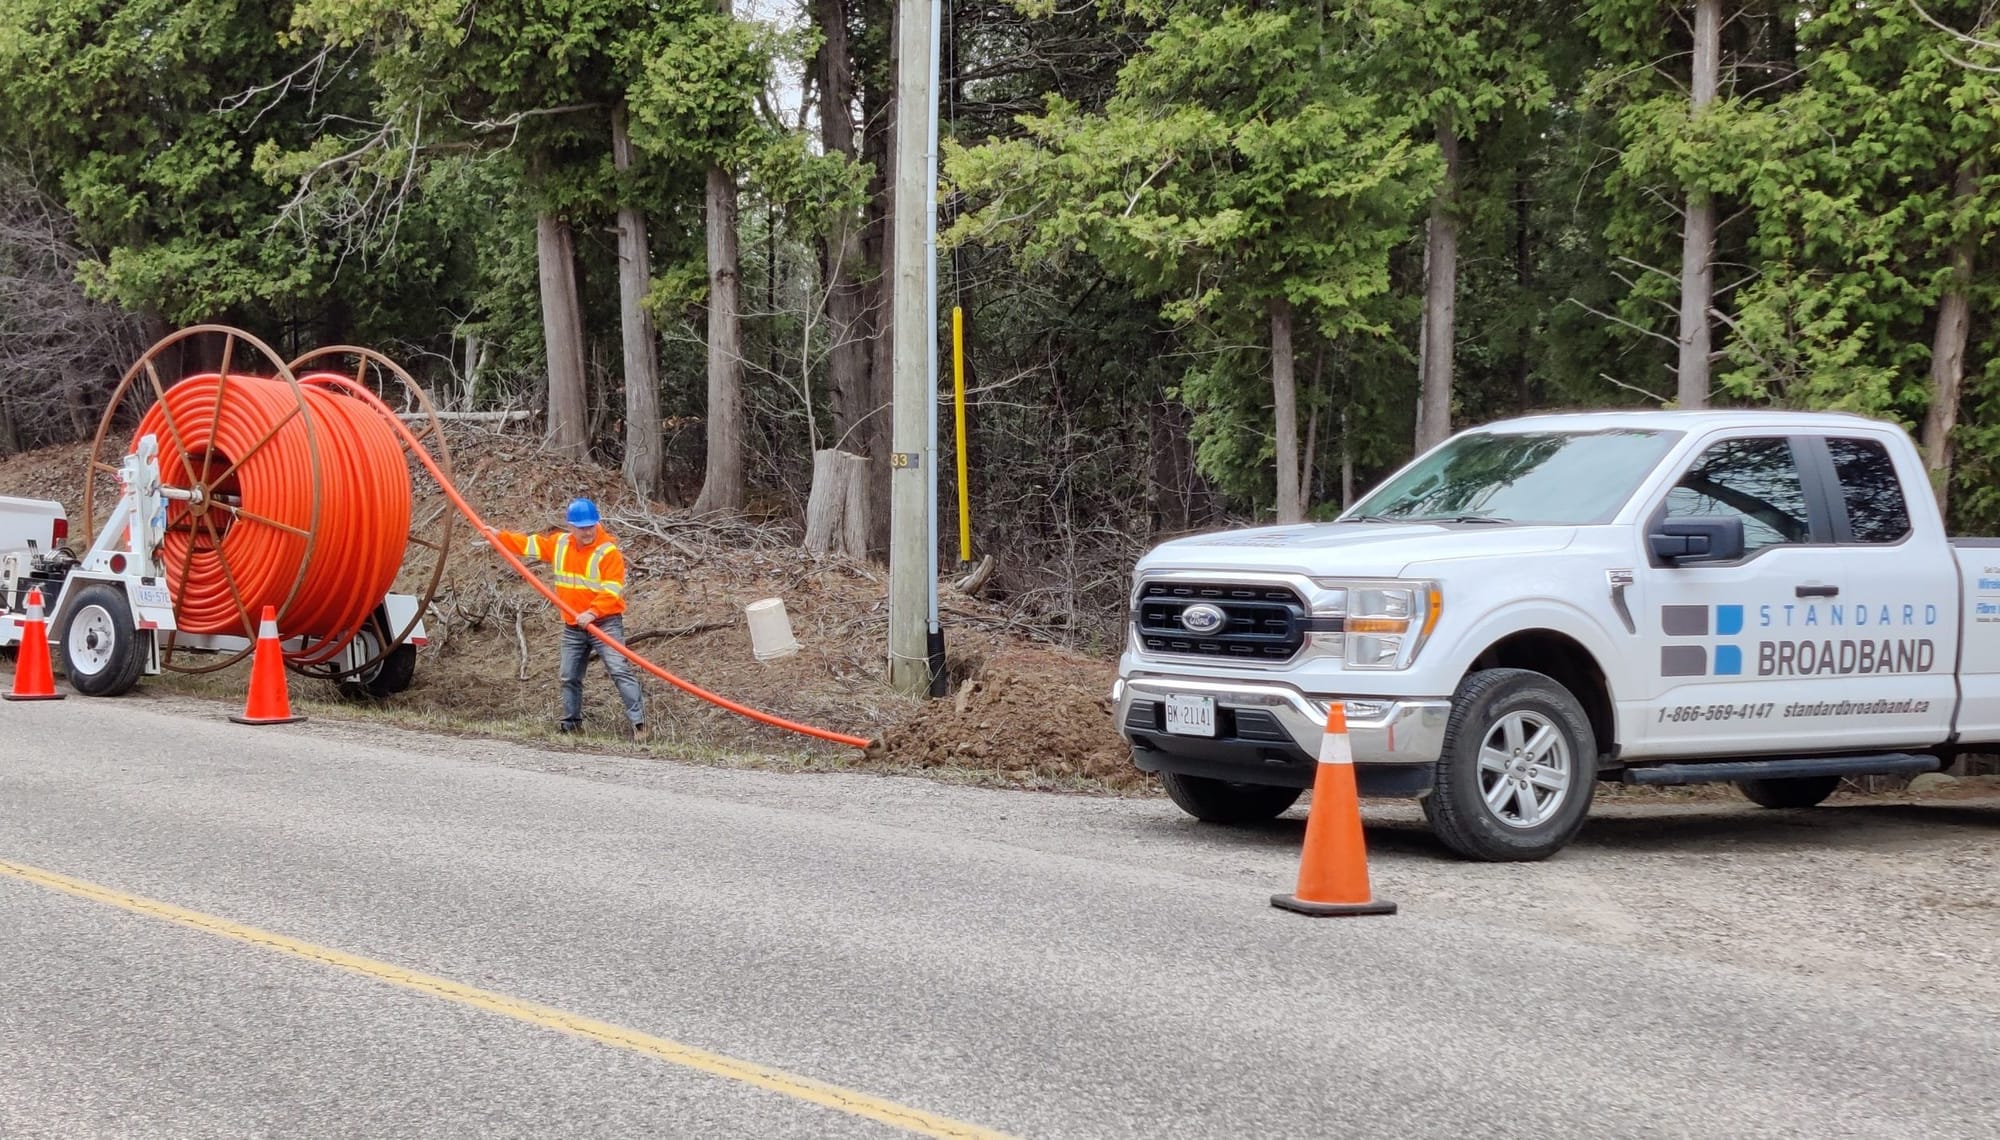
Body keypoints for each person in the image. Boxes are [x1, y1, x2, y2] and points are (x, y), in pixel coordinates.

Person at [486, 498, 648, 742]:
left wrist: (592, 613)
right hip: (573, 626)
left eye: (591, 526)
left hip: (605, 623)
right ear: (570, 527)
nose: (588, 532)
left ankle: (640, 725)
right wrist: (499, 536)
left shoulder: (608, 552)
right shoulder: (560, 544)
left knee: (618, 670)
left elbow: (612, 590)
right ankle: (571, 724)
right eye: (582, 527)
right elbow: (531, 544)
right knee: (568, 675)